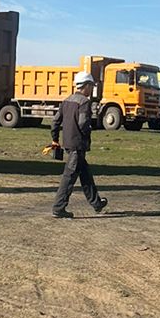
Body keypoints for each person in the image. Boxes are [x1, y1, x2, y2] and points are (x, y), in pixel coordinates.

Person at [50, 71, 109, 219]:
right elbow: (83, 122)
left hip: (69, 144)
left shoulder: (67, 100)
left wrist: (55, 139)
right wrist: (88, 133)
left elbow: (55, 121)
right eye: (91, 86)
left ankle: (96, 203)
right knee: (69, 177)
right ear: (86, 86)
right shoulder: (84, 102)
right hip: (78, 145)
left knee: (85, 174)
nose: (91, 89)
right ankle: (58, 207)